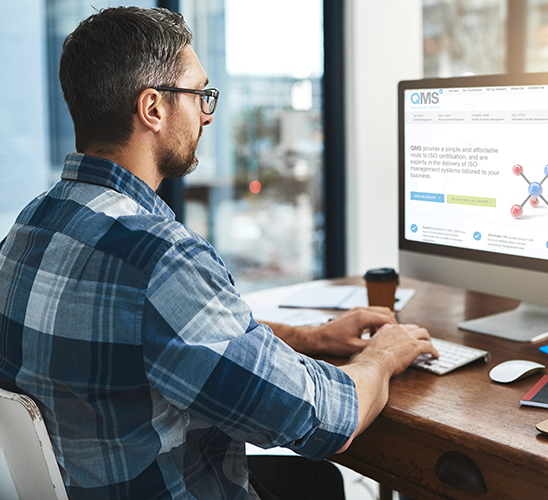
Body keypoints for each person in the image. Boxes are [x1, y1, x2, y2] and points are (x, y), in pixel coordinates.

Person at [0, 6, 437, 500]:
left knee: (312, 483)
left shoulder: (30, 225)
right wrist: (382, 357)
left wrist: (311, 338)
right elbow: (318, 420)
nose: (207, 113)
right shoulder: (158, 256)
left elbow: (173, 338)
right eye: (199, 95)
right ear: (154, 109)